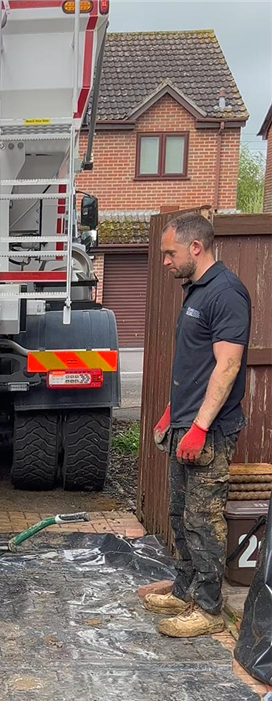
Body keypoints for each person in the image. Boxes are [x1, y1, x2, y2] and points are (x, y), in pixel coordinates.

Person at [142, 213, 251, 638]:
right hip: (185, 424)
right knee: (180, 513)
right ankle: (185, 589)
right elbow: (195, 364)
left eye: (169, 253)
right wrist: (174, 412)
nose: (165, 261)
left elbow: (227, 366)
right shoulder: (195, 292)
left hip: (210, 431)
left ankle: (207, 610)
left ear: (195, 248)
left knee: (204, 521)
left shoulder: (225, 293)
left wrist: (201, 427)